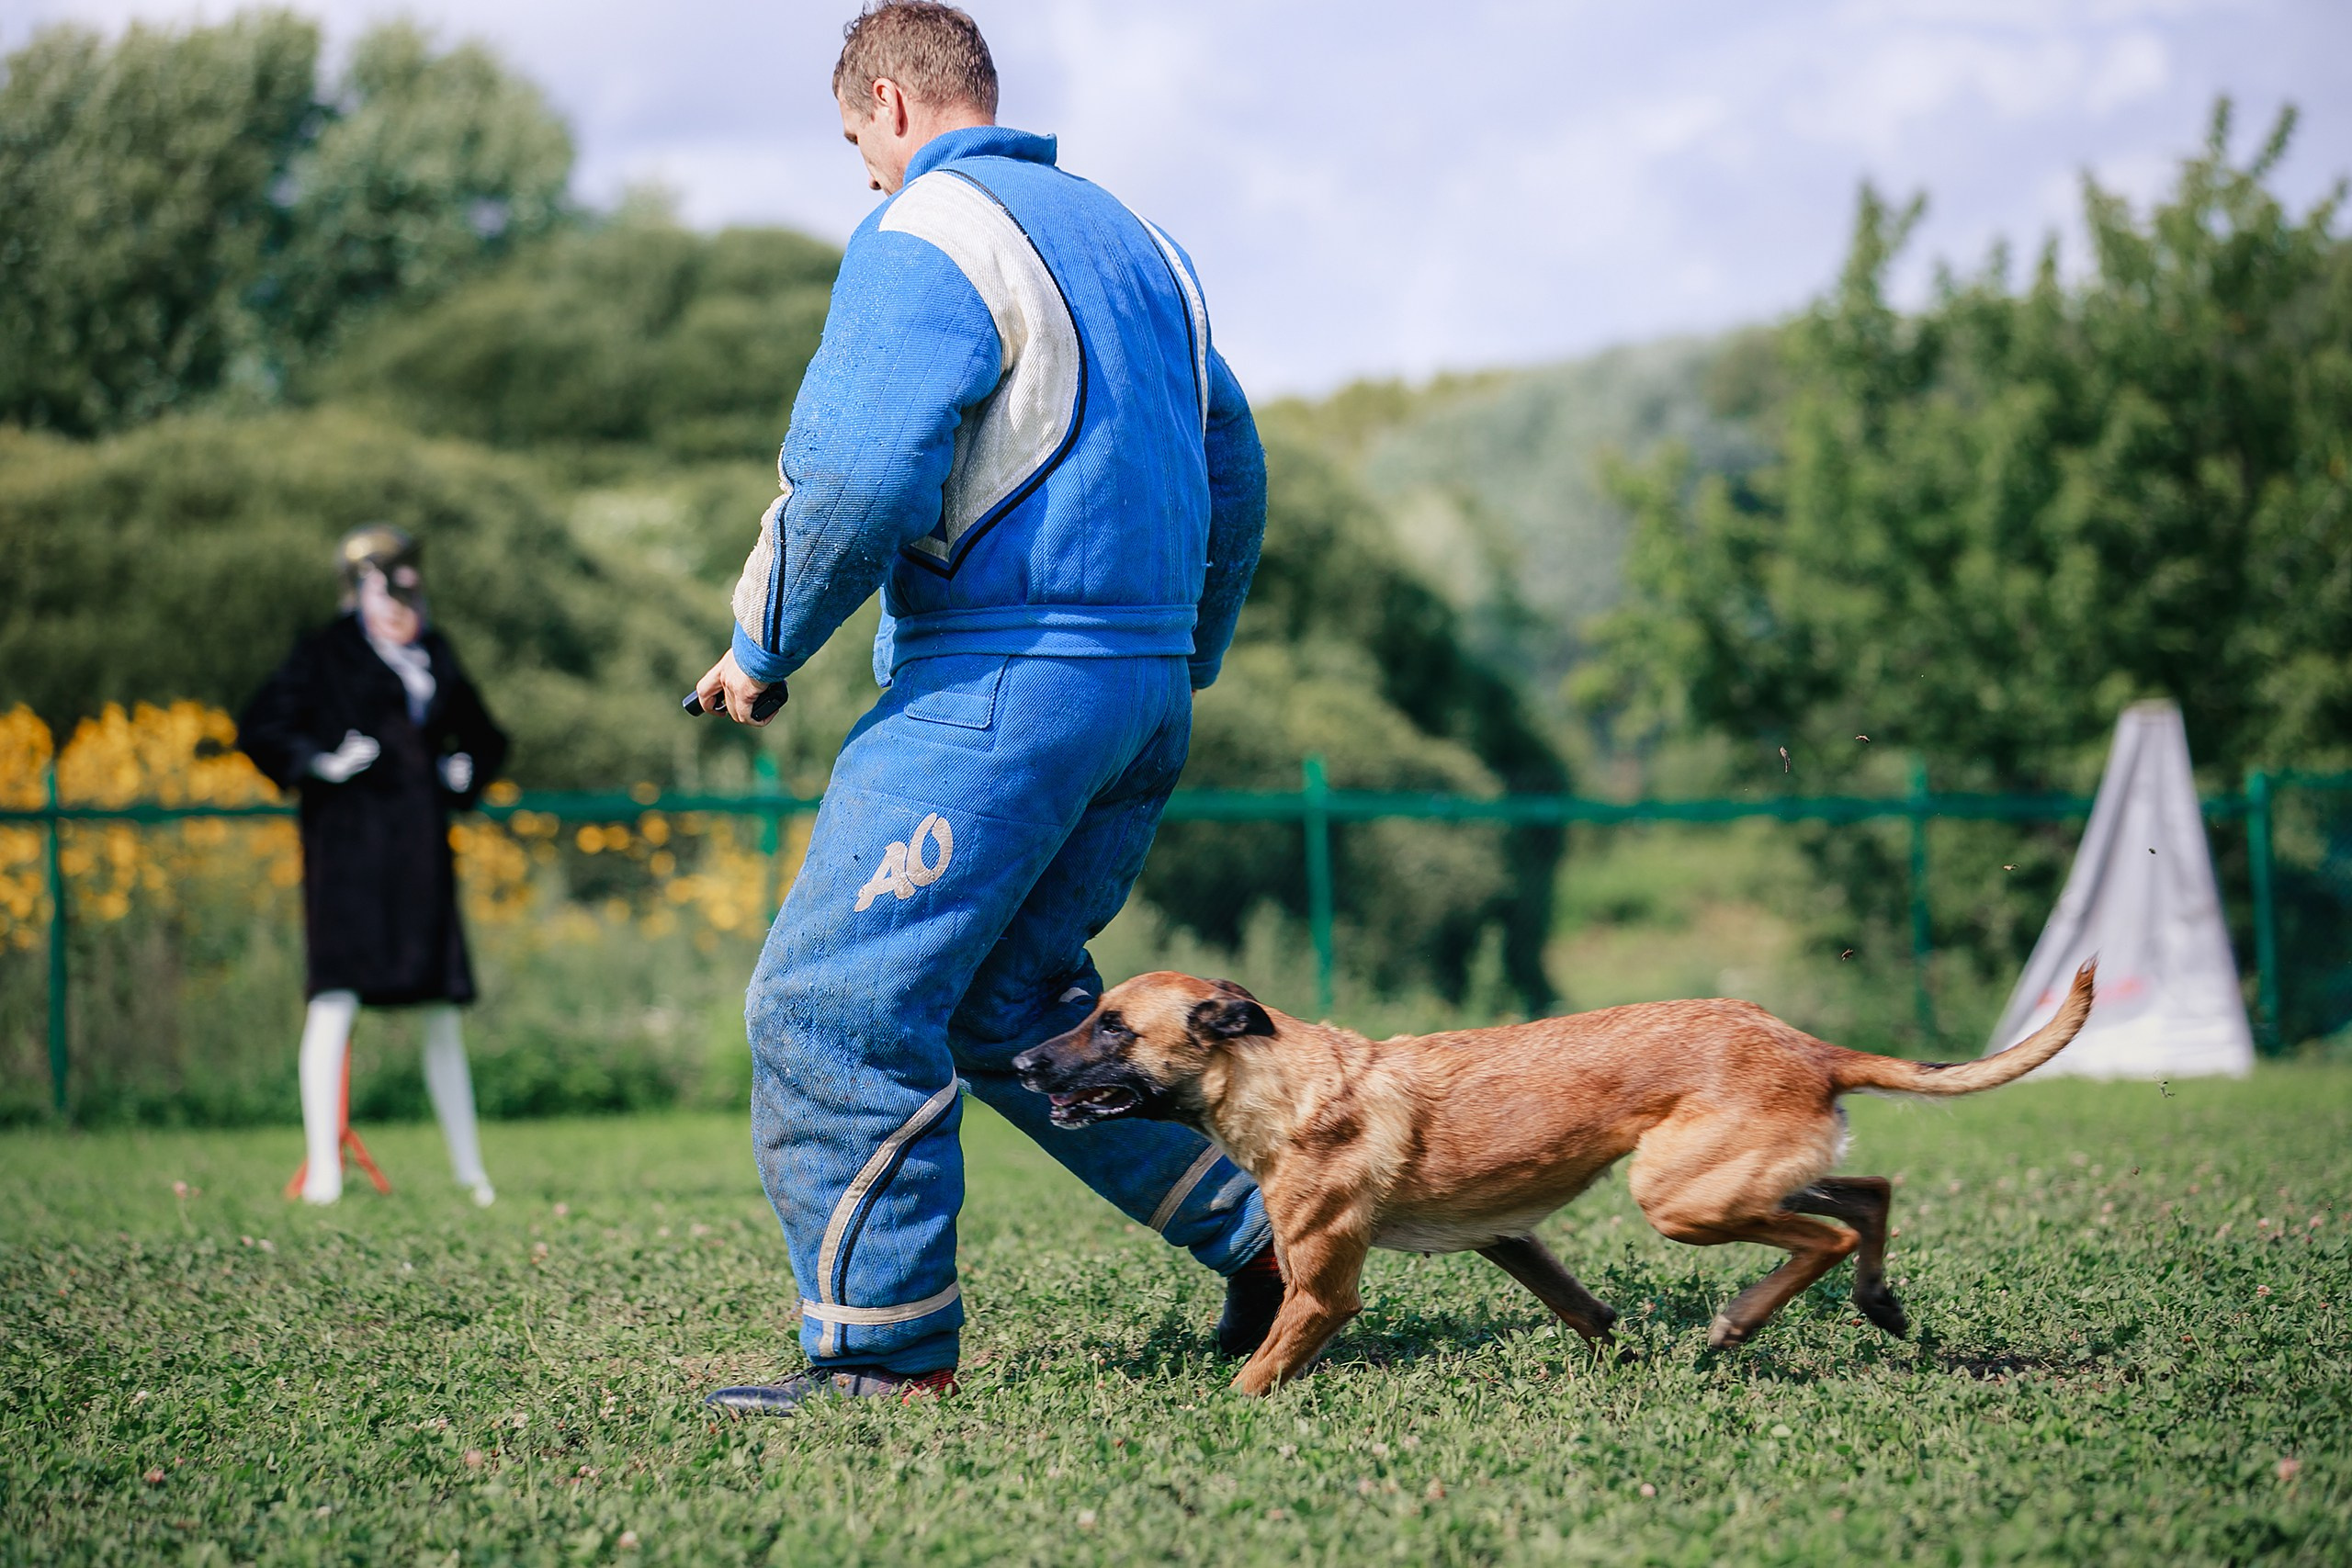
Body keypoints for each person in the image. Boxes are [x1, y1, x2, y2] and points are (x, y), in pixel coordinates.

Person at [696, 2, 1279, 1414]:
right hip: (1137, 686)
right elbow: (1236, 467)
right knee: (1013, 1003)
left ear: (889, 105)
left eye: (857, 147)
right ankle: (1267, 1233)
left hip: (1001, 684)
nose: (867, 177)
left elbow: (853, 474)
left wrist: (761, 643)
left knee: (829, 1007)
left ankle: (883, 1355)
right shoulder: (1143, 243)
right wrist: (1180, 659)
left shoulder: (931, 233)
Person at [238, 525, 510, 1207]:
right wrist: (320, 763)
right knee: (333, 1001)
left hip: (420, 852)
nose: (397, 607)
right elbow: (261, 724)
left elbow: (487, 736)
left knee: (441, 1011)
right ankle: (324, 1171)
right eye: (381, 591)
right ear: (355, 592)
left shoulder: (435, 654)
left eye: (406, 592)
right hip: (348, 855)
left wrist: (464, 769)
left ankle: (470, 1171)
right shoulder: (325, 653)